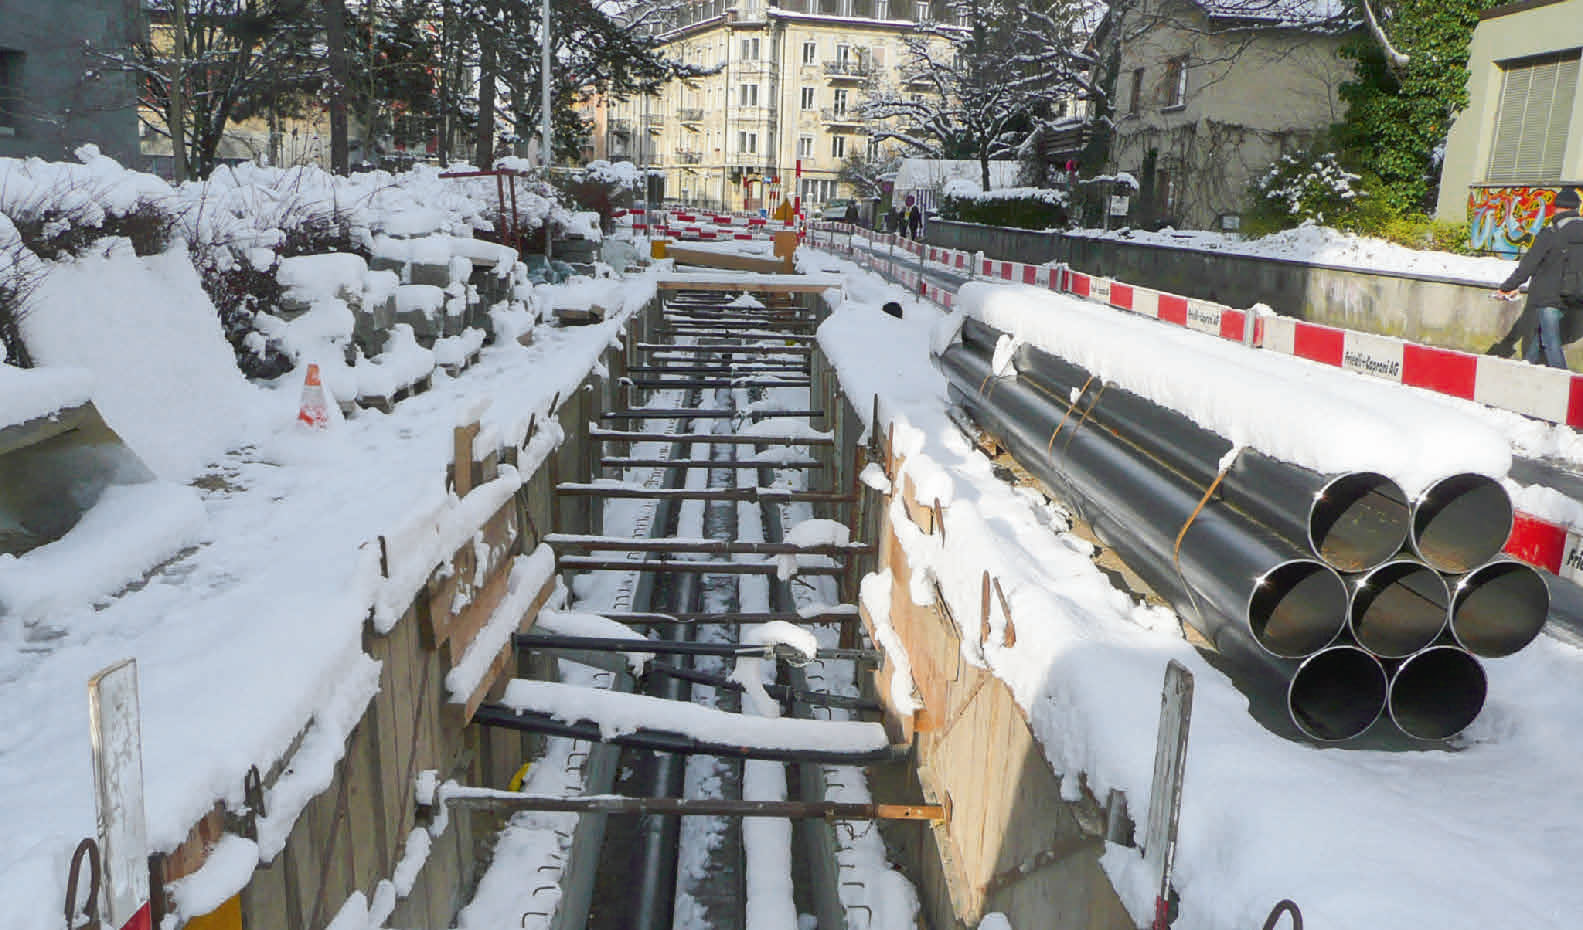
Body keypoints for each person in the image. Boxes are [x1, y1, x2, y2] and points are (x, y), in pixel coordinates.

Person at [1489, 186, 1583, 367]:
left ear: (1558, 207)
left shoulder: (1552, 232)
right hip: (1576, 295)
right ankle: (1528, 368)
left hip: (1549, 296)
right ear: (1576, 208)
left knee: (1550, 341)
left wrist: (1508, 286)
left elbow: (1529, 265)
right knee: (1538, 336)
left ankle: (1562, 381)